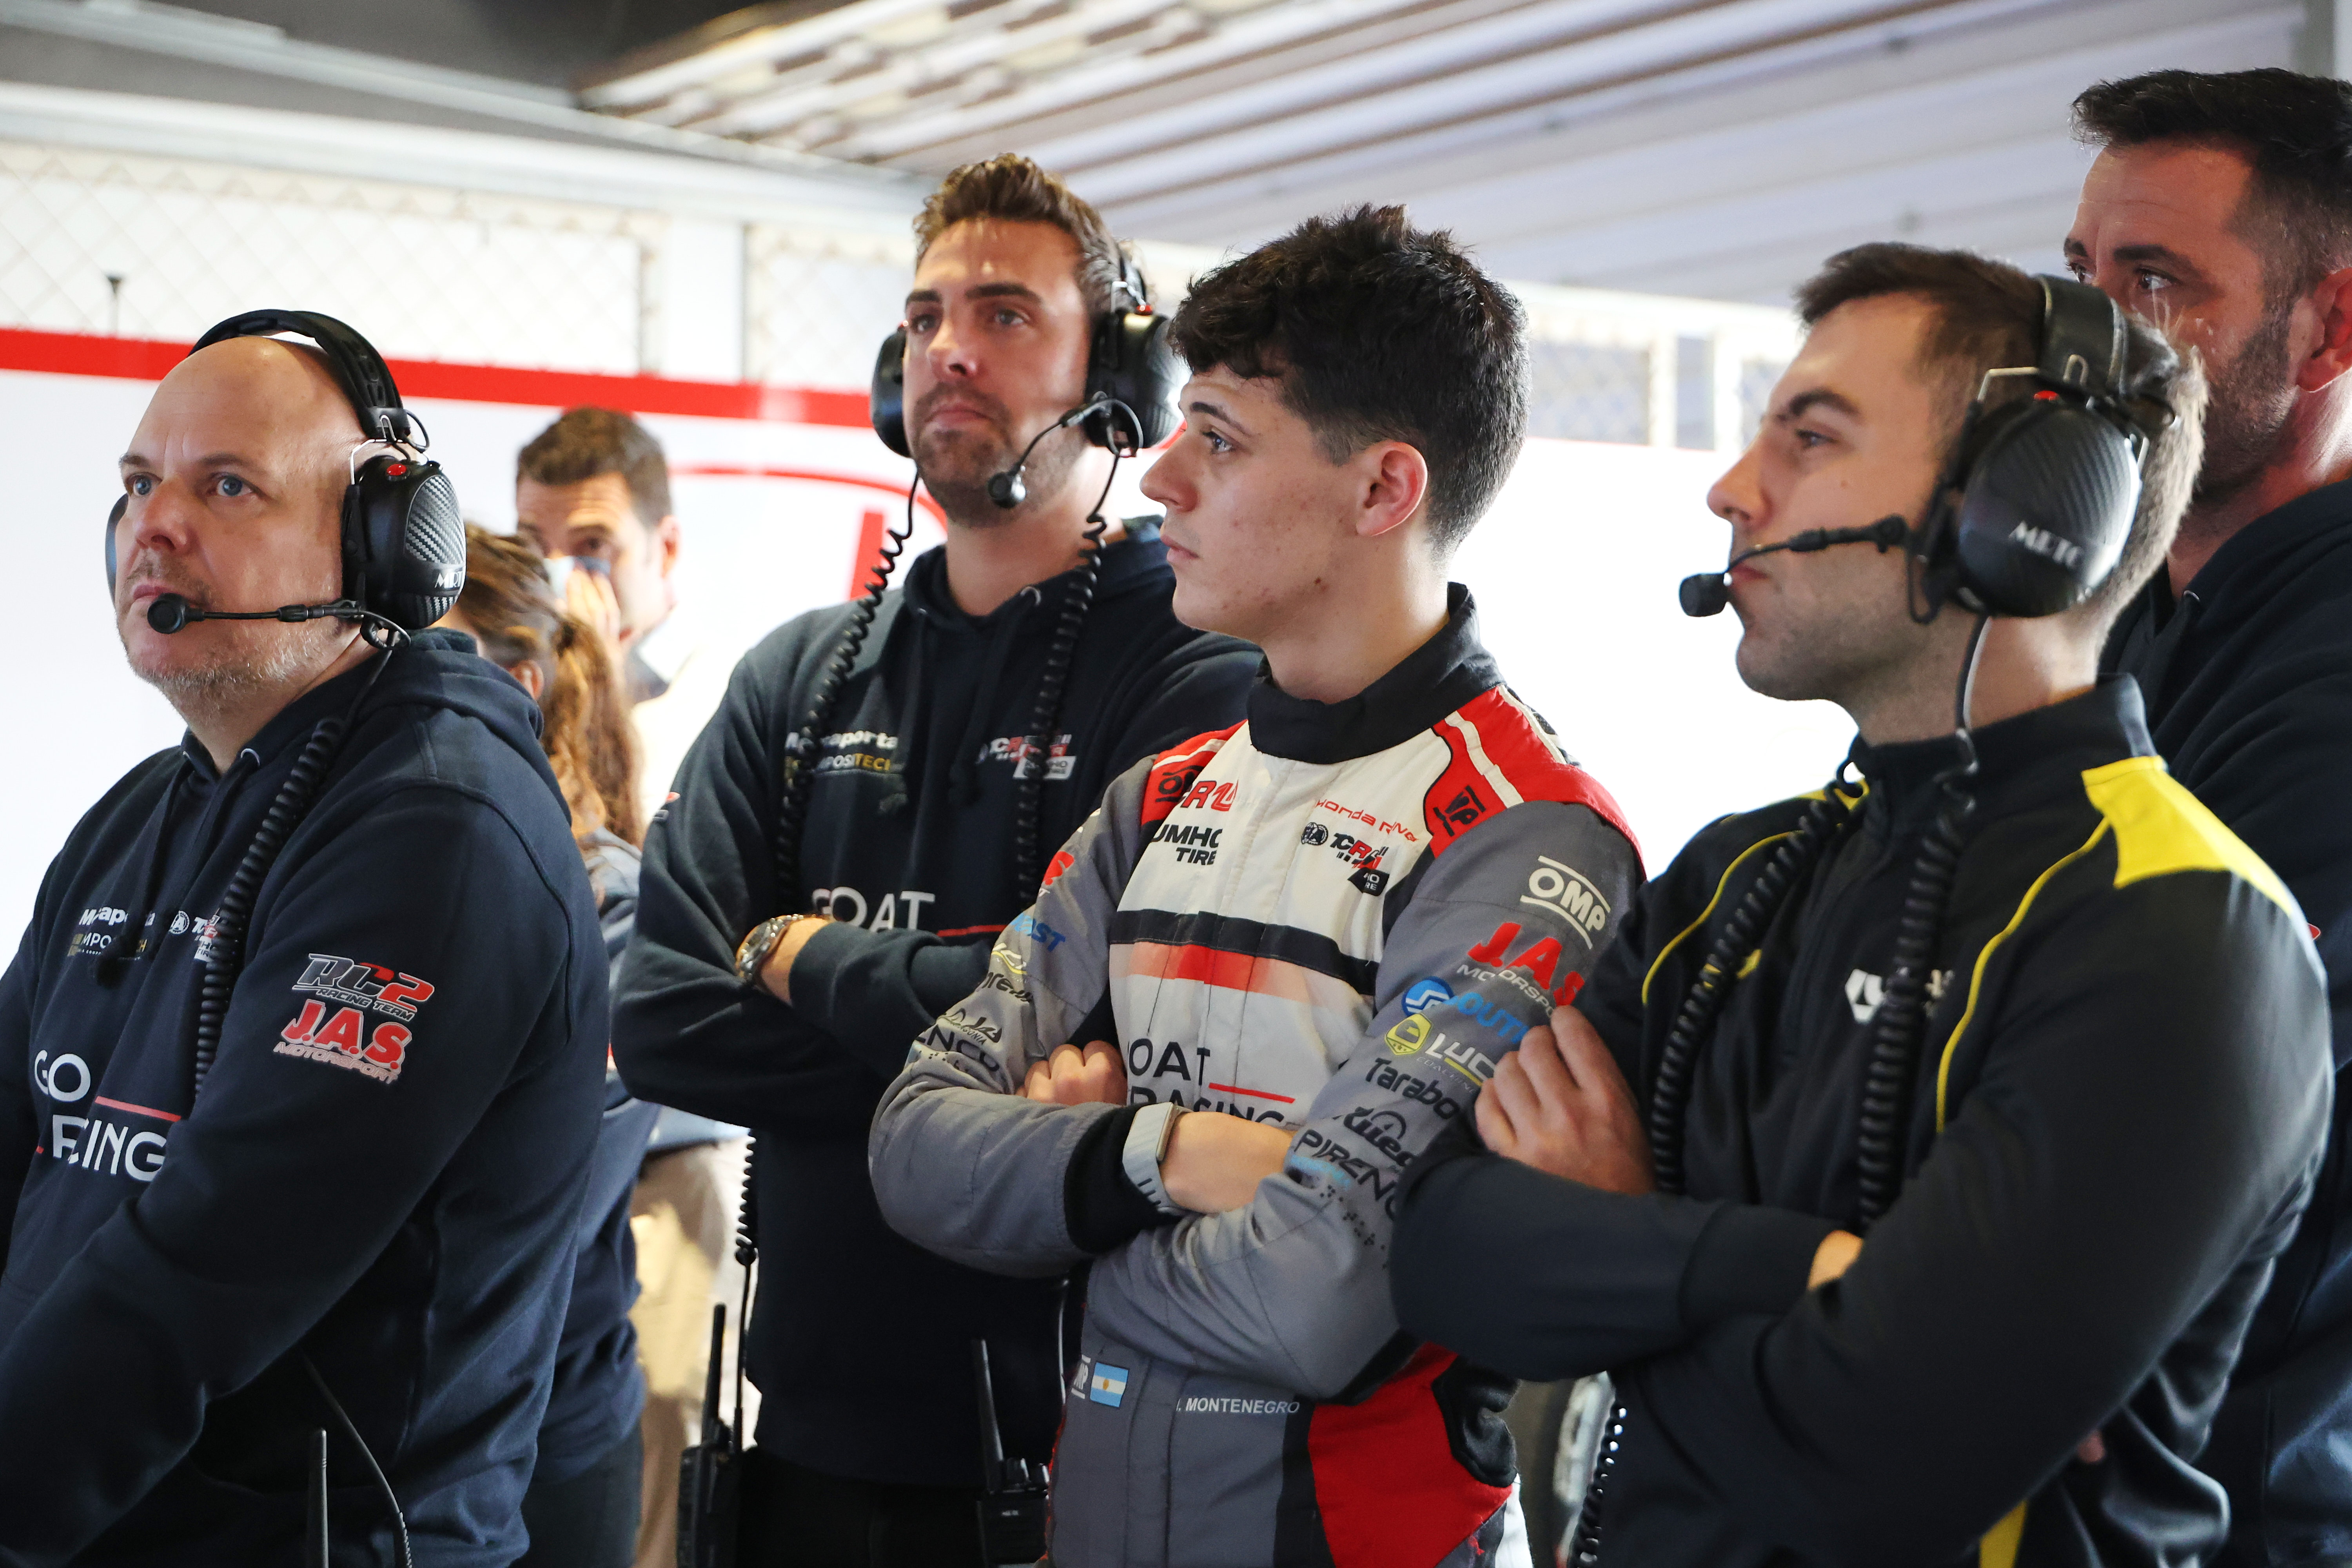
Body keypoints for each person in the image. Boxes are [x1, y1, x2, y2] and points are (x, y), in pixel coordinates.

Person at [1386, 243, 2332, 1567]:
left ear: (2025, 508)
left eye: (1812, 437)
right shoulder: (1732, 880)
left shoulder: (2183, 931)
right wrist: (1789, 1270)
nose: (1732, 490)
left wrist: (1618, 1224)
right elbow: (1438, 1253)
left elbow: (1882, 1471)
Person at [867, 204, 1643, 1568]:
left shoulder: (1528, 837)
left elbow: (1313, 1301)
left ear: (1383, 490)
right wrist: (1160, 1158)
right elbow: (910, 1148)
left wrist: (1065, 1210)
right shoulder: (1155, 798)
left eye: (1219, 440)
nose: (1160, 480)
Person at [610, 154, 1257, 1564]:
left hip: (1076, 1459)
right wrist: (999, 1075)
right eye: (924, 318)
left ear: (1117, 377)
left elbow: (1134, 1019)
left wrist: (798, 961)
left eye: (1006, 315)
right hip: (798, 1444)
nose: (949, 350)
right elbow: (658, 1014)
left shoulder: (1201, 675)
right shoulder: (799, 678)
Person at [0, 317, 607, 1561]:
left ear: (386, 543)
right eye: (139, 485)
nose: (156, 526)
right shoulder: (140, 814)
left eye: (227, 485)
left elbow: (214, 1260)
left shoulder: (444, 835)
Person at [2066, 69, 2352, 1564]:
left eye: (2157, 283)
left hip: (2232, 1501)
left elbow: (2107, 1078)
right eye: (2082, 276)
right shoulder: (2123, 616)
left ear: (2331, 330)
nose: (2088, 340)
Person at [514, 407, 743, 1568]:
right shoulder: (503, 686)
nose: (567, 576)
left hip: (664, 1146)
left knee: (654, 1445)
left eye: (594, 545)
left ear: (666, 548)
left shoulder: (723, 702)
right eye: (538, 545)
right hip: (525, 1166)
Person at [441, 523, 655, 1568]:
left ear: (518, 681)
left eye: (430, 652)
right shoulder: (359, 865)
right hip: (387, 1430)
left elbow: (535, 1206)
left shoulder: (611, 900)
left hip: (548, 1431)